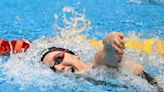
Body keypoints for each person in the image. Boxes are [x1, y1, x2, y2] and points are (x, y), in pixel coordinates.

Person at [0, 32, 160, 88]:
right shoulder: (87, 78)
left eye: (58, 59)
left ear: (74, 55)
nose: (58, 67)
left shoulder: (94, 68)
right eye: (53, 69)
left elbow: (104, 58)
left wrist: (109, 43)